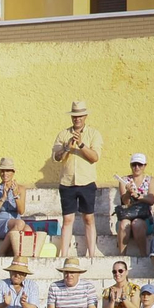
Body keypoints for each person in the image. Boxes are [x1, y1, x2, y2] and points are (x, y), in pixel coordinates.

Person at [51, 101, 103, 259]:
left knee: (89, 217)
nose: (77, 118)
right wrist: (66, 147)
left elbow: (95, 157)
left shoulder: (94, 134)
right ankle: (63, 255)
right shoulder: (63, 134)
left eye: (80, 115)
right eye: (74, 116)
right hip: (67, 182)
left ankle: (91, 254)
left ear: (85, 116)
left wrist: (81, 144)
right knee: (67, 219)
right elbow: (56, 157)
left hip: (86, 181)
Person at [0, 158, 37, 257]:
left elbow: (21, 211)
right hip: (0, 222)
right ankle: (1, 253)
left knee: (27, 230)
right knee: (20, 223)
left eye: (8, 170)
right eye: (2, 171)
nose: (4, 173)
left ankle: (20, 256)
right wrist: (2, 198)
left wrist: (15, 195)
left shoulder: (21, 189)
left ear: (13, 172)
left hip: (16, 222)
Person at [114, 152, 154, 256]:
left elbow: (152, 199)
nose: (137, 167)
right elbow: (125, 201)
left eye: (140, 164)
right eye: (134, 164)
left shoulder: (151, 180)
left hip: (144, 217)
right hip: (127, 215)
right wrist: (128, 193)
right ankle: (122, 256)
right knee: (124, 223)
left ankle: (143, 255)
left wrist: (138, 196)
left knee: (137, 223)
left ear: (144, 166)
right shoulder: (124, 181)